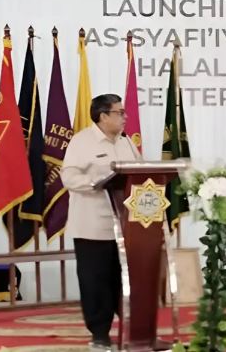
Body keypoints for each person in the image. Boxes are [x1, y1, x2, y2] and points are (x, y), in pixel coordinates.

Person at [61, 94, 139, 351]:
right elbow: (69, 177)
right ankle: (99, 333)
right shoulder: (82, 141)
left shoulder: (127, 142)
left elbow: (139, 174)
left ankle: (130, 328)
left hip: (125, 226)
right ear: (103, 116)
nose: (125, 117)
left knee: (122, 280)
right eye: (119, 112)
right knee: (95, 281)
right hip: (92, 225)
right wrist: (96, 183)